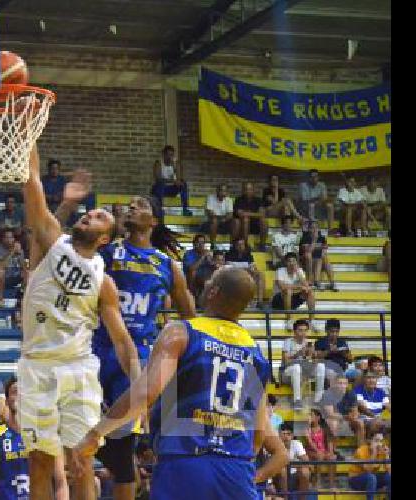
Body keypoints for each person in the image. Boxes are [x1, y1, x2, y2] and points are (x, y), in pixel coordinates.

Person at [75, 268, 288, 500]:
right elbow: (257, 435)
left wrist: (96, 433)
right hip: (236, 469)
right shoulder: (256, 354)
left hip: (185, 462)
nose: (205, 285)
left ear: (213, 292)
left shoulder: (182, 332)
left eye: (209, 282)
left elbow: (145, 394)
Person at [19, 144, 143, 500]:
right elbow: (32, 183)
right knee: (40, 460)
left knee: (82, 458)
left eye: (100, 217)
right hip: (37, 366)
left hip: (78, 368)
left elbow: (121, 341)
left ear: (106, 238)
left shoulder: (104, 282)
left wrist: (138, 388)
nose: (91, 216)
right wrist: (29, 136)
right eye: (90, 213)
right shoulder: (53, 240)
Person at [83, 194, 196, 500]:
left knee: (121, 451)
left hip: (135, 358)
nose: (132, 207)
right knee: (79, 438)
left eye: (141, 205)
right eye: (130, 205)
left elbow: (190, 317)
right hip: (95, 349)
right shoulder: (108, 252)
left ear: (154, 221)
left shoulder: (167, 266)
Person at [281, 319, 325, 409]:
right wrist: (299, 353)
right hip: (287, 374)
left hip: (304, 372)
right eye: (300, 330)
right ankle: (297, 401)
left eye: (305, 330)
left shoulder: (309, 343)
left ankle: (318, 399)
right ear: (294, 331)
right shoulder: (288, 342)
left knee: (321, 366)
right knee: (296, 367)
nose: (303, 333)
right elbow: (286, 362)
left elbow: (313, 362)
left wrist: (314, 356)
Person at [271, 253, 315, 325]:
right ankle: (288, 320)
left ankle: (312, 320)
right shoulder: (280, 271)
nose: (291, 263)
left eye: (293, 261)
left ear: (296, 262)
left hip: (292, 300)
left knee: (310, 292)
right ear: (286, 263)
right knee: (288, 291)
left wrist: (298, 273)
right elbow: (282, 287)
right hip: (278, 301)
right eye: (289, 261)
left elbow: (306, 286)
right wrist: (299, 287)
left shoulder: (299, 271)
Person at [347, 432, 391, 500]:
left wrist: (387, 455)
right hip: (355, 479)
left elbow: (389, 471)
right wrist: (374, 453)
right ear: (370, 441)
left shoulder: (381, 451)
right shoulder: (360, 451)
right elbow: (368, 470)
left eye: (381, 441)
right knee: (371, 477)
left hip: (371, 480)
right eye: (376, 441)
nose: (379, 444)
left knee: (388, 477)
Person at [222, 237, 265, 305]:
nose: (240, 246)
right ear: (235, 246)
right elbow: (228, 269)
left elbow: (253, 268)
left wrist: (253, 270)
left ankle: (260, 302)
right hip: (233, 277)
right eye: (238, 244)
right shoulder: (228, 255)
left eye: (242, 244)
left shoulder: (248, 256)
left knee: (260, 275)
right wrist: (245, 269)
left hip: (247, 276)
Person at [150, 145, 191, 216]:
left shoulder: (176, 163)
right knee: (160, 183)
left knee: (183, 183)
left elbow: (179, 179)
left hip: (169, 190)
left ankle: (185, 209)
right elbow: (158, 178)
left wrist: (174, 168)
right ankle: (159, 209)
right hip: (158, 190)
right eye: (167, 154)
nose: (169, 157)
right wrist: (173, 181)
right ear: (163, 155)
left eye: (171, 155)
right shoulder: (158, 163)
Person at [302, 409, 337, 490]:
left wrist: (330, 453)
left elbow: (329, 442)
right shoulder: (307, 429)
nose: (309, 417)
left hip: (323, 451)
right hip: (310, 451)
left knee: (333, 458)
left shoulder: (324, 428)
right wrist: (308, 425)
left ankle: (332, 484)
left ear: (318, 417)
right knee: (319, 455)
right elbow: (309, 442)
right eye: (309, 415)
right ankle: (317, 481)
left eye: (311, 415)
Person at [273, 423, 312, 497]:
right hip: (278, 477)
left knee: (305, 472)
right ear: (279, 435)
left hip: (294, 475)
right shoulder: (274, 445)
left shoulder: (297, 444)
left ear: (292, 435)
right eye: (283, 434)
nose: (286, 436)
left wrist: (290, 465)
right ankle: (285, 498)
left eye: (288, 434)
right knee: (283, 470)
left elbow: (307, 462)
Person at [0, 229, 28, 307]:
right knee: (0, 272)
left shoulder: (19, 250)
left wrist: (19, 254)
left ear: (14, 239)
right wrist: (12, 252)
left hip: (14, 277)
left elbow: (24, 268)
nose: (9, 240)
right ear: (2, 239)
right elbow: (0, 265)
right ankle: (1, 300)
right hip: (1, 279)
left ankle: (21, 299)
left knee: (27, 273)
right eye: (6, 238)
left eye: (11, 237)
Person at [313, 319, 352, 388]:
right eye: (332, 331)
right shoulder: (320, 342)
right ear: (326, 330)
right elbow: (316, 358)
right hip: (328, 369)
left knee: (359, 373)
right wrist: (329, 351)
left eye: (337, 332)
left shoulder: (342, 342)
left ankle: (356, 395)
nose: (334, 334)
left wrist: (344, 353)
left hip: (343, 369)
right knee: (332, 375)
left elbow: (350, 360)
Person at [352, 374, 392, 441]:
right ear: (364, 380)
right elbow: (363, 408)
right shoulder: (358, 390)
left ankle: (378, 441)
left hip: (379, 419)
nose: (371, 380)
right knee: (377, 423)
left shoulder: (381, 391)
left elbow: (388, 405)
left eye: (373, 378)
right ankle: (371, 441)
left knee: (382, 423)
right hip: (365, 418)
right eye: (368, 378)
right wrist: (375, 417)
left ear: (376, 380)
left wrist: (379, 418)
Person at [299, 219, 336, 291]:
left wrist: (318, 247)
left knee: (323, 258)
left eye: (316, 227)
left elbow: (324, 250)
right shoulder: (305, 237)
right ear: (309, 229)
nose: (315, 229)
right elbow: (308, 251)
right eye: (312, 227)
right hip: (306, 261)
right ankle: (314, 282)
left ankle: (332, 283)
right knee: (309, 255)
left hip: (318, 260)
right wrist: (314, 240)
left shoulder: (322, 238)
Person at [233, 182, 267, 249]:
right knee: (246, 220)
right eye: (246, 189)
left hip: (255, 225)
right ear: (243, 191)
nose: (248, 191)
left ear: (253, 190)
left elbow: (262, 214)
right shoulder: (239, 200)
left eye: (250, 189)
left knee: (264, 221)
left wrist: (247, 213)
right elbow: (240, 214)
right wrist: (255, 214)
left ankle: (262, 244)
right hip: (242, 226)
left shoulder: (258, 200)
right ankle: (245, 244)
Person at [205, 184, 236, 248]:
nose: (223, 192)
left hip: (225, 221)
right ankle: (213, 244)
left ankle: (232, 245)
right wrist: (219, 217)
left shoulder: (229, 200)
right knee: (214, 220)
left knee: (235, 221)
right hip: (212, 220)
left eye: (225, 191)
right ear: (217, 191)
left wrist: (223, 219)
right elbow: (210, 213)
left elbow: (230, 215)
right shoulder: (210, 198)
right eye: (221, 190)